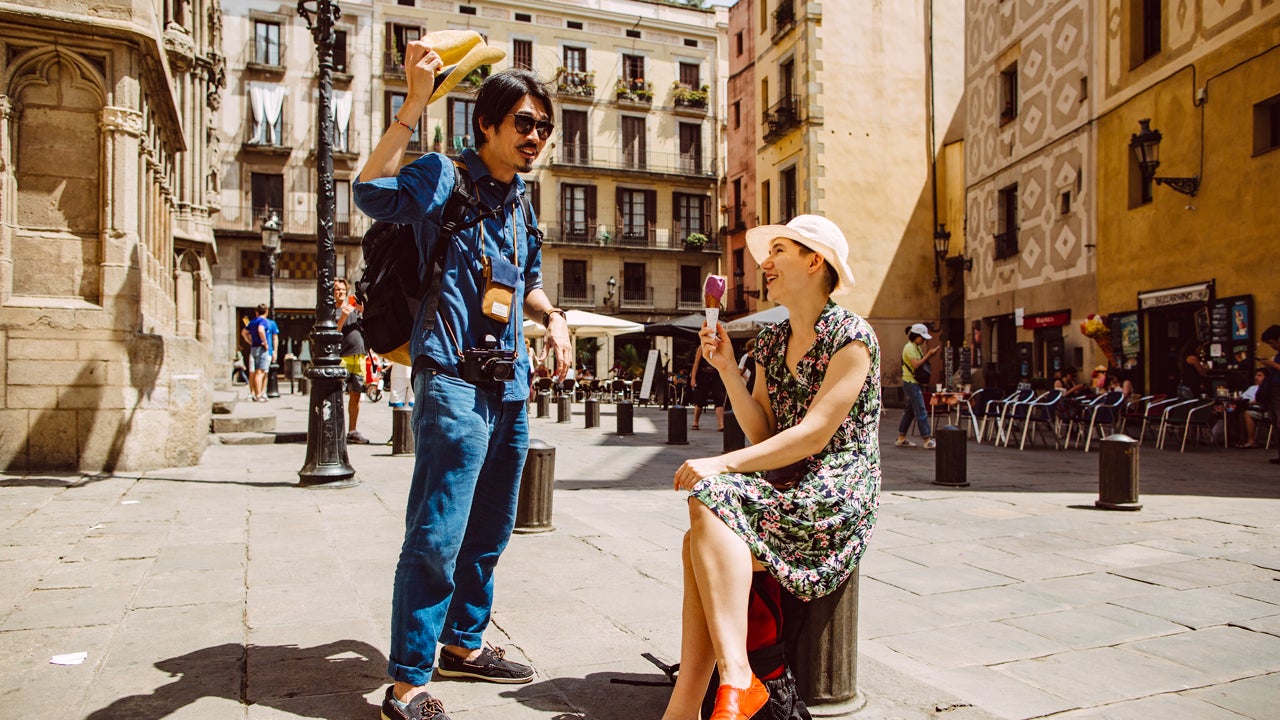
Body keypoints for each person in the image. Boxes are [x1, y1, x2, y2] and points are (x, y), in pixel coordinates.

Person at [353, 38, 571, 720]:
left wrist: (555, 320)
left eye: (543, 126)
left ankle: (463, 644)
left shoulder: (521, 202)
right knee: (439, 531)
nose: (535, 136)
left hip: (508, 387)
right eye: (524, 123)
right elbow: (369, 193)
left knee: (491, 529)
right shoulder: (443, 176)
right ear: (487, 124)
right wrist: (413, 108)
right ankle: (407, 681)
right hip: (450, 377)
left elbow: (525, 284)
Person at [665, 214, 879, 720]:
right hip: (789, 480)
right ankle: (714, 692)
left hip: (835, 493)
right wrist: (725, 371)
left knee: (708, 505)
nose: (765, 262)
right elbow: (765, 430)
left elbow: (814, 435)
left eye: (779, 250)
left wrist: (722, 463)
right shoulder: (768, 341)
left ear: (814, 262)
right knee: (699, 534)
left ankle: (720, 686)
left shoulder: (852, 337)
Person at [333, 277, 371, 444]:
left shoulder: (354, 309)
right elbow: (332, 333)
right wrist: (342, 317)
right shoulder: (330, 311)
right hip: (342, 357)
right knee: (337, 395)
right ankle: (335, 430)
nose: (340, 292)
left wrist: (364, 312)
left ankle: (352, 430)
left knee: (356, 394)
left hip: (359, 355)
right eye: (337, 289)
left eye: (342, 289)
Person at [895, 323, 938, 449]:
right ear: (916, 336)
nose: (923, 340)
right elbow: (915, 365)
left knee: (910, 412)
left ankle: (901, 437)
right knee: (921, 410)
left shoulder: (915, 347)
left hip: (913, 383)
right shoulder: (910, 348)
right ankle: (927, 439)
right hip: (911, 383)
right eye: (922, 337)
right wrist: (928, 355)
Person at [1257, 325, 1280, 464]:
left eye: (1272, 343)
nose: (1271, 346)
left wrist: (1272, 364)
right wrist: (1268, 366)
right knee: (1276, 422)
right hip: (1274, 389)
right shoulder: (1277, 355)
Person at [690, 344, 726, 431]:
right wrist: (693, 378)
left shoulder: (720, 346)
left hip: (716, 375)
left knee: (719, 398)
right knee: (700, 399)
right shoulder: (702, 347)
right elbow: (696, 363)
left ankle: (721, 425)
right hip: (703, 375)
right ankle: (696, 422)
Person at [240, 304, 270, 402]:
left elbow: (243, 332)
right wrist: (265, 343)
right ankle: (258, 395)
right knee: (260, 372)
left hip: (253, 348)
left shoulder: (252, 321)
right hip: (261, 348)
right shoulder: (263, 321)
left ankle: (254, 393)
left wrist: (250, 341)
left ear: (257, 312)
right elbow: (261, 330)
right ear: (266, 311)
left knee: (253, 371)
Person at [1238, 369, 1267, 449]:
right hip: (1248, 407)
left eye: (1259, 375)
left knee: (1247, 413)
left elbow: (1266, 401)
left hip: (1263, 411)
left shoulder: (1268, 389)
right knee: (1235, 412)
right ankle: (1239, 439)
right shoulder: (1252, 388)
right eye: (1256, 375)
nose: (1256, 377)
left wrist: (1254, 402)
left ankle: (1251, 440)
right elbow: (1242, 397)